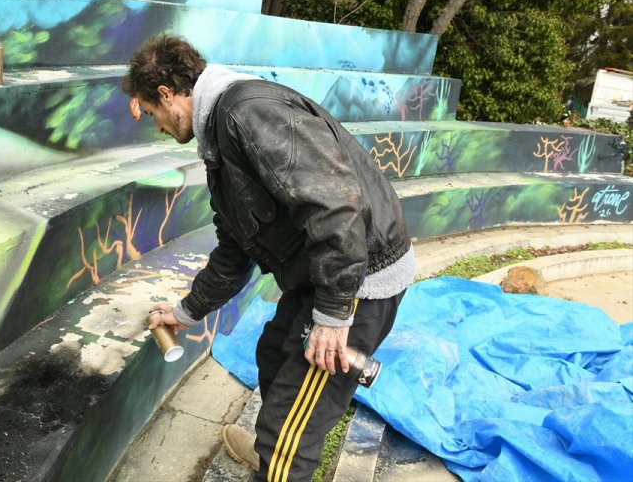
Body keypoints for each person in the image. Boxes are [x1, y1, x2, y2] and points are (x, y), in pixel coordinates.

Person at [124, 34, 415, 482]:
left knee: (288, 434)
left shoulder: (247, 113)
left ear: (166, 94)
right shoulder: (222, 128)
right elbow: (234, 247)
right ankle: (271, 459)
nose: (158, 127)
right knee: (273, 357)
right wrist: (186, 312)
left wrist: (335, 316)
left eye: (154, 113)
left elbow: (335, 207)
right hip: (324, 274)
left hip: (355, 282)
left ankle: (278, 462)